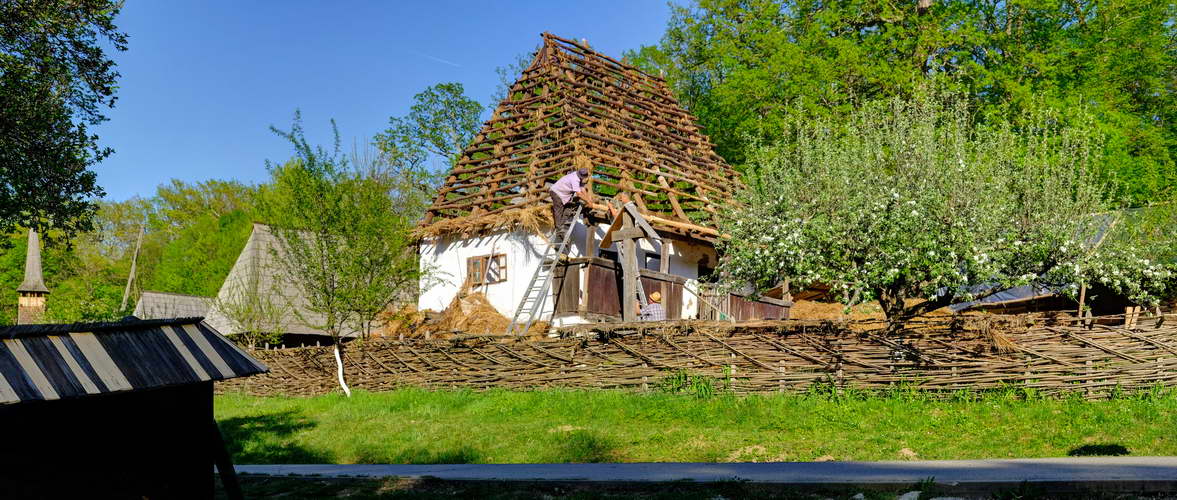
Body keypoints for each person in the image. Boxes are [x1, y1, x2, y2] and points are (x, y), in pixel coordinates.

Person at [549, 167, 592, 235]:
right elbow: (579, 194)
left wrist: (589, 199)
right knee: (559, 210)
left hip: (563, 194)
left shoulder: (578, 176)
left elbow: (582, 189)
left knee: (567, 209)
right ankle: (559, 229)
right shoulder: (575, 179)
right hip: (556, 192)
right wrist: (588, 201)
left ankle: (561, 225)